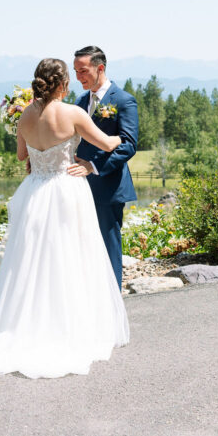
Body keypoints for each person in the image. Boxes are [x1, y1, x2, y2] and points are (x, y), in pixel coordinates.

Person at [0, 58, 130, 379]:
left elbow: (22, 155)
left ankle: (27, 325)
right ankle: (70, 327)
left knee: (31, 262)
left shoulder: (25, 114)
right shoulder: (73, 113)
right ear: (64, 84)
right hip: (66, 191)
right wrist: (119, 139)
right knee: (70, 257)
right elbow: (106, 142)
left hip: (33, 193)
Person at [70, 46, 139, 289]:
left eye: (83, 71)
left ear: (100, 68)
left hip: (108, 186)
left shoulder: (123, 100)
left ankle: (112, 301)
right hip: (79, 187)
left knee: (108, 246)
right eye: (76, 71)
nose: (79, 77)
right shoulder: (79, 101)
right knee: (85, 246)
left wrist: (94, 167)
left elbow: (128, 145)